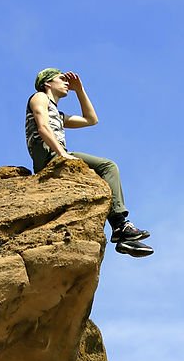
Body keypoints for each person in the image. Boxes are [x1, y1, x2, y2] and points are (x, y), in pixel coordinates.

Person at [26, 68, 154, 257]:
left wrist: (80, 90)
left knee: (103, 174)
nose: (66, 82)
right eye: (61, 79)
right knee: (107, 167)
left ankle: (122, 235)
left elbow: (91, 119)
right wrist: (62, 154)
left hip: (55, 153)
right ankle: (121, 226)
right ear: (47, 84)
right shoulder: (39, 97)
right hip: (49, 155)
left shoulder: (58, 115)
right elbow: (43, 128)